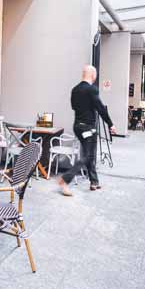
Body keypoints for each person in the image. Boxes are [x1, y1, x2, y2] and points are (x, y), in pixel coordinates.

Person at [58, 65, 116, 196]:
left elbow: (74, 106)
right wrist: (110, 124)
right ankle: (65, 180)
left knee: (89, 153)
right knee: (88, 155)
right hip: (88, 127)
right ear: (93, 75)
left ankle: (94, 182)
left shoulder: (75, 90)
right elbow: (101, 108)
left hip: (78, 126)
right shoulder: (92, 90)